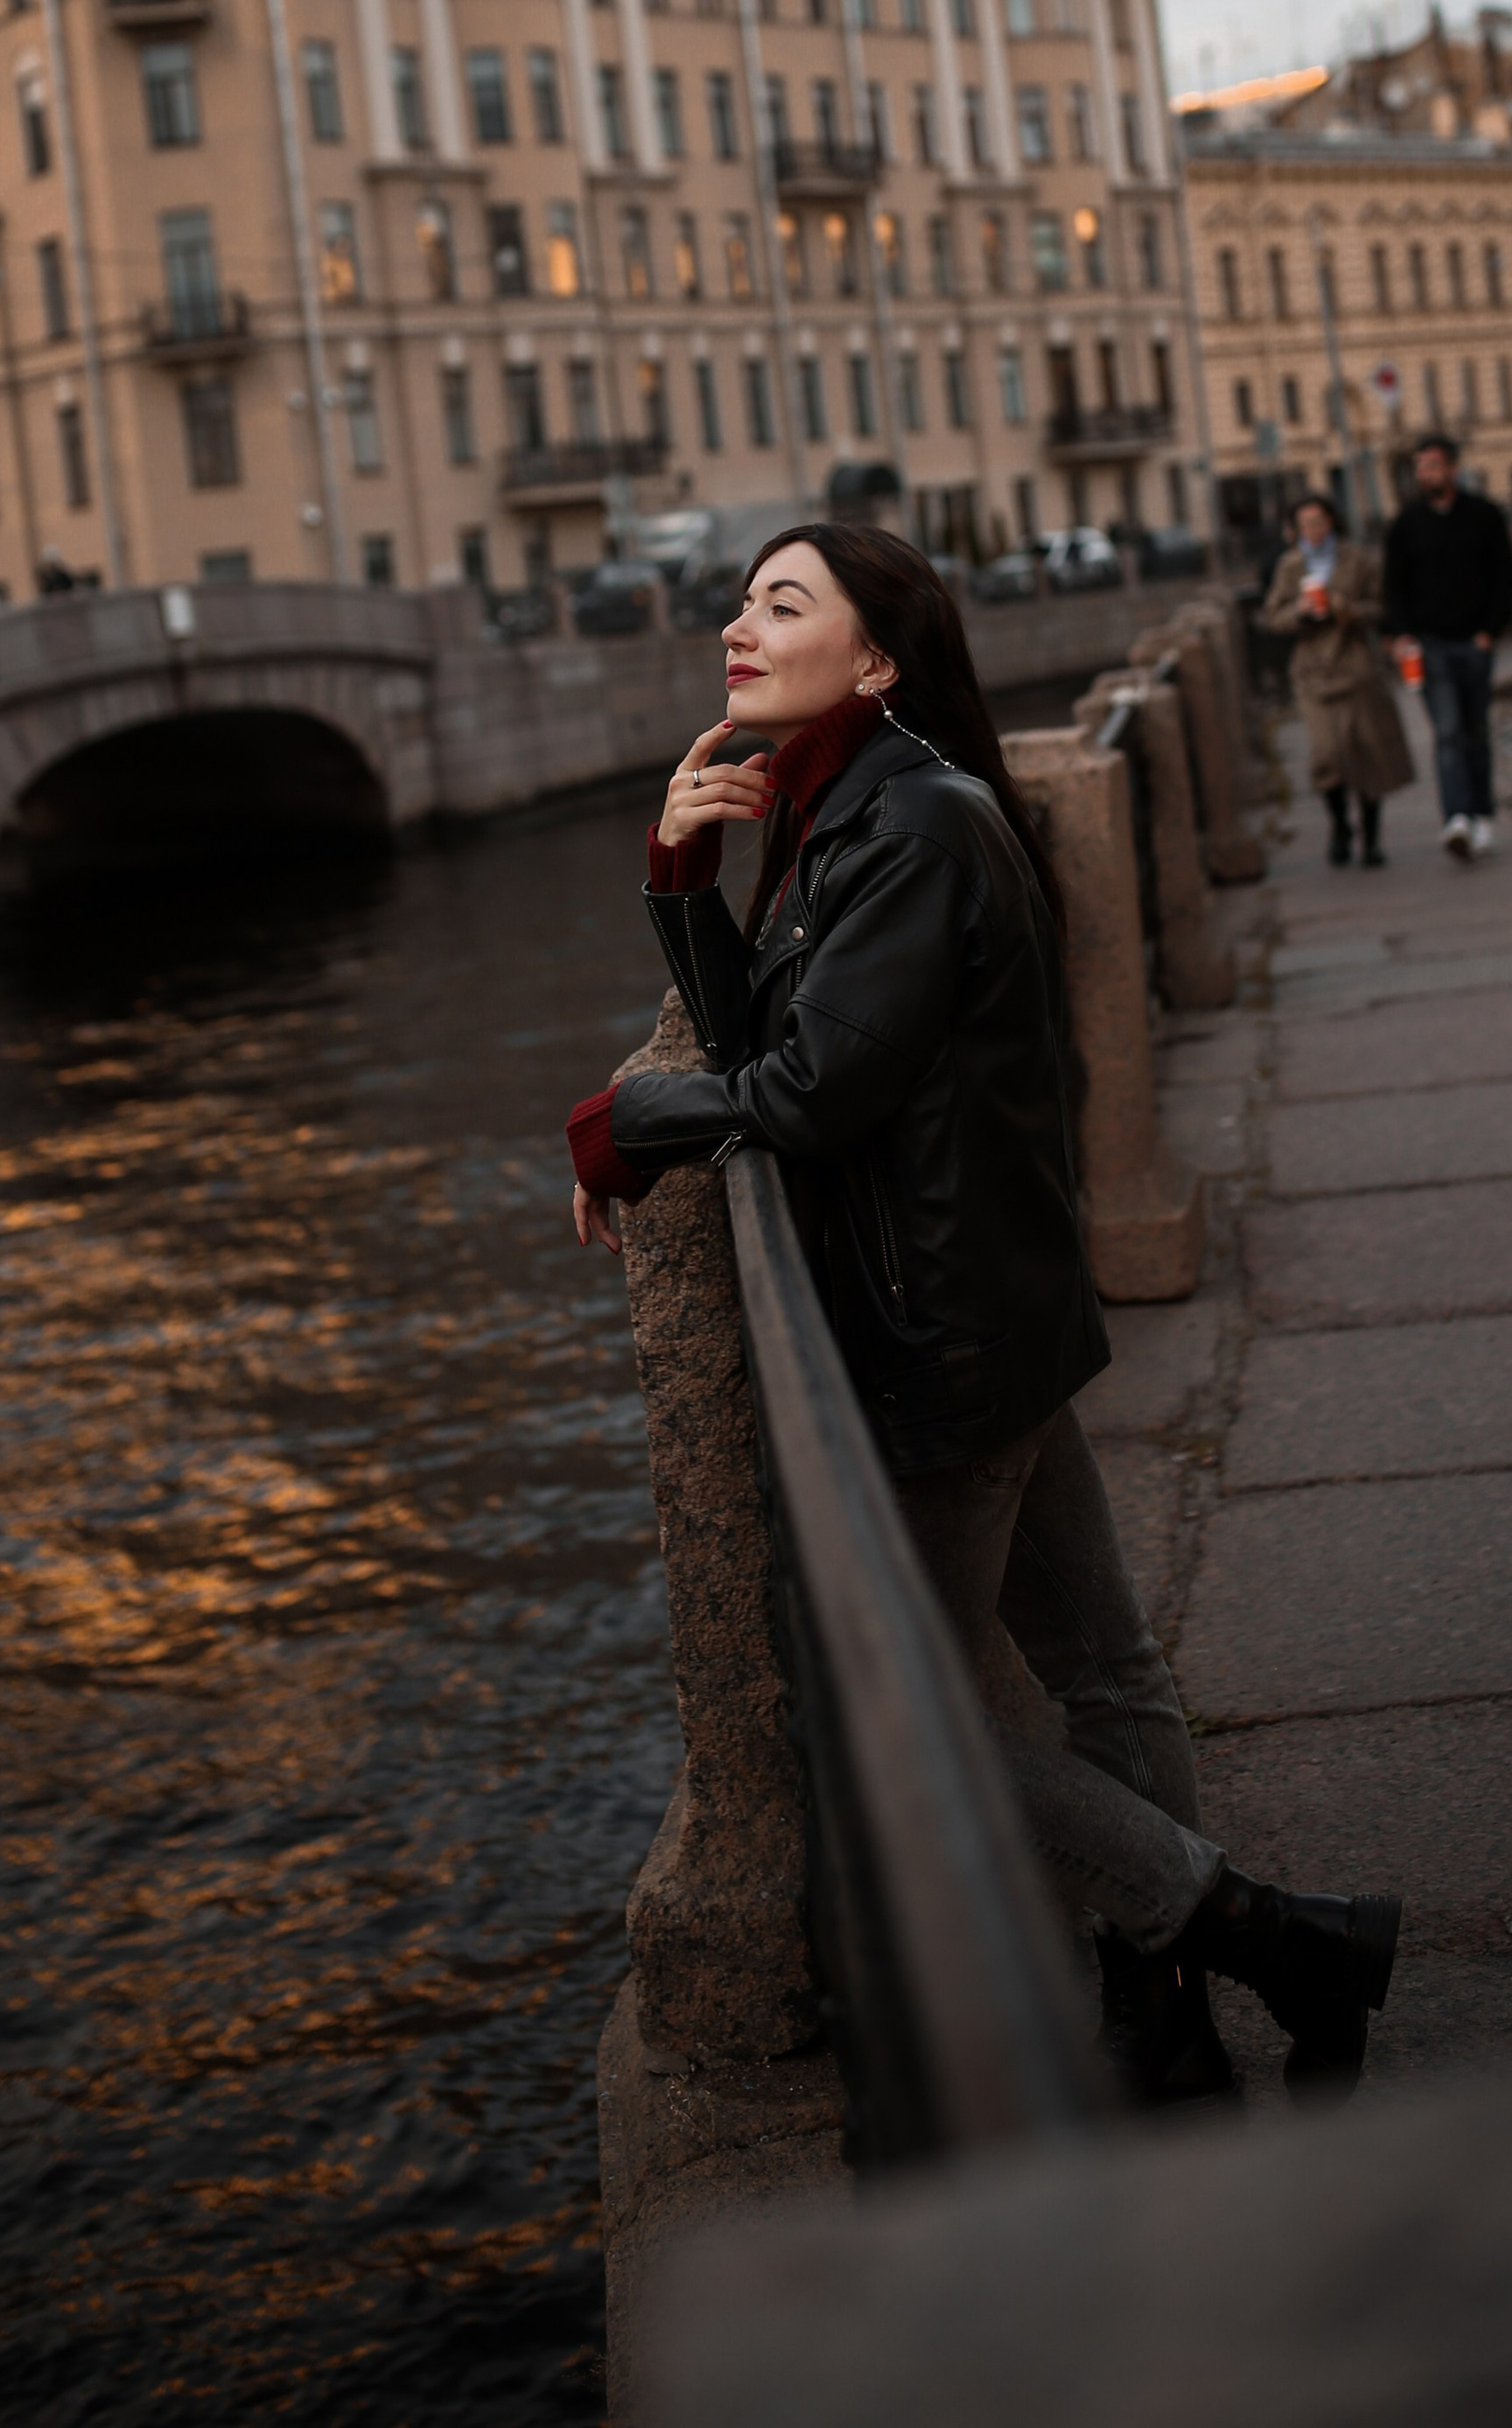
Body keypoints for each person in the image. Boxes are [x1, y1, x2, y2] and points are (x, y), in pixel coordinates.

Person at [565, 523, 1400, 2102]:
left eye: (784, 604)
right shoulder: (840, 807)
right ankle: (1168, 2010)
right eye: (742, 599)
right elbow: (769, 1026)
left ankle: (1273, 1937)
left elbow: (804, 1094)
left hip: (936, 1343)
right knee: (1107, 1678)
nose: (740, 624)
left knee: (897, 1731)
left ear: (874, 661)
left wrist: (618, 1126)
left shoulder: (917, 825)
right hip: (988, 1315)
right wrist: (682, 874)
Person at [1381, 436, 1512, 863]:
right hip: (1429, 645)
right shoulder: (1405, 525)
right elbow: (1393, 587)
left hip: (1474, 642)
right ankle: (1455, 817)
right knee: (1447, 731)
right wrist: (1401, 635)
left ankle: (1481, 815)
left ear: (1453, 469)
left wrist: (1490, 632)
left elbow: (1506, 578)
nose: (1426, 474)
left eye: (1434, 466)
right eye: (1421, 467)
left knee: (1476, 731)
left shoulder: (1484, 516)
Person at [1260, 492, 1413, 867]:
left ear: (1332, 522)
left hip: (1356, 667)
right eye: (1304, 524)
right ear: (1294, 530)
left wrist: (1347, 609)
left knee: (1367, 753)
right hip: (1313, 673)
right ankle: (1340, 826)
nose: (1312, 530)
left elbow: (1383, 606)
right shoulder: (1290, 566)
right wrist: (1298, 611)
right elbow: (1271, 616)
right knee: (1327, 756)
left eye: (1318, 521)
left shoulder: (1356, 558)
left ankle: (1372, 840)